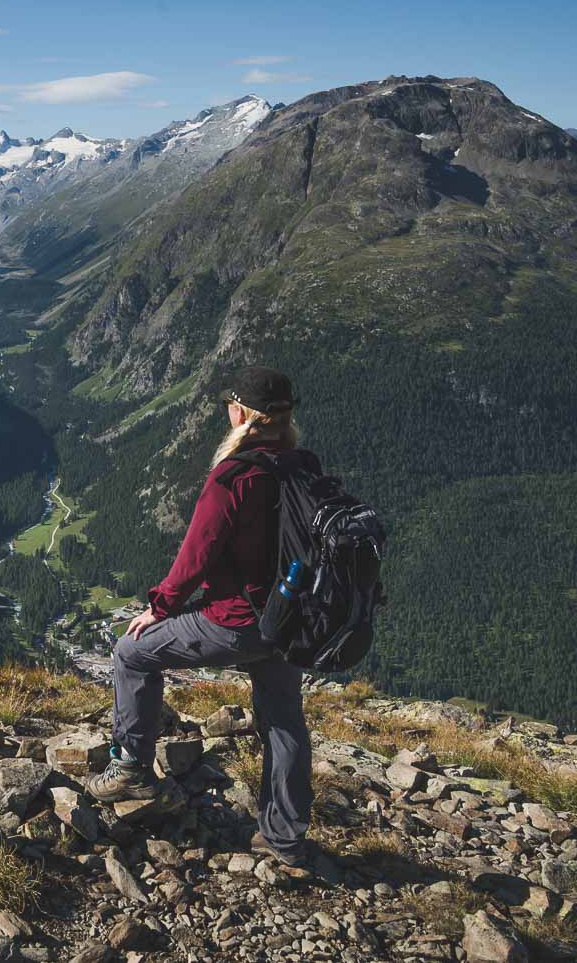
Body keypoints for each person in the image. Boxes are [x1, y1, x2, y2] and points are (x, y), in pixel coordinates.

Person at [86, 366, 338, 881]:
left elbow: (195, 555)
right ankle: (286, 838)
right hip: (291, 621)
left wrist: (159, 606)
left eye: (230, 404)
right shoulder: (302, 465)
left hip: (238, 622)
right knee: (284, 722)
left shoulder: (233, 477)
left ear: (241, 414)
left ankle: (132, 767)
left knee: (131, 653)